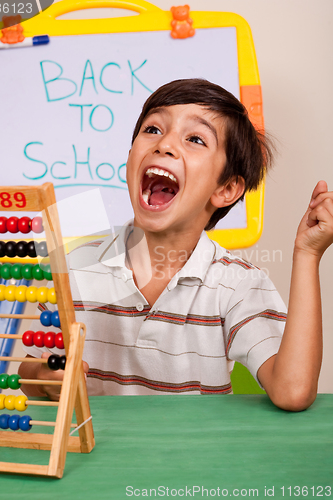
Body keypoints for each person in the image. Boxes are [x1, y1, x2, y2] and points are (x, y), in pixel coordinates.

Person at [18, 79, 333, 411]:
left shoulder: (238, 284)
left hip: (196, 457)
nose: (165, 144)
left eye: (195, 139)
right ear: (129, 159)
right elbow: (26, 366)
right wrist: (45, 377)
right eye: (153, 129)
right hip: (96, 455)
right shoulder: (72, 267)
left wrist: (307, 254)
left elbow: (292, 391)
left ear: (226, 189)